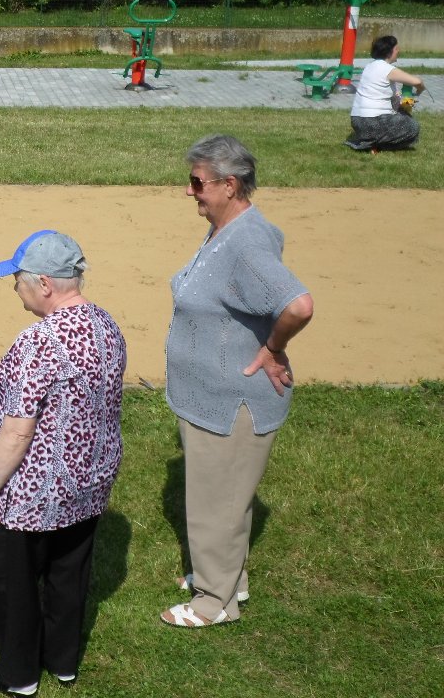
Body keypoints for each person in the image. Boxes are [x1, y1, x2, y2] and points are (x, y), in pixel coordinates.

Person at [161, 134, 314, 628]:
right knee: (226, 499)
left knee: (215, 506)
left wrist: (272, 348)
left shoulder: (245, 243)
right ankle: (229, 577)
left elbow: (298, 305)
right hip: (210, 396)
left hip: (230, 402)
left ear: (230, 185)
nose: (190, 192)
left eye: (197, 182)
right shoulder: (232, 228)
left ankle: (214, 603)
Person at [0, 230, 126, 695]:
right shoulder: (105, 325)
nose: (13, 288)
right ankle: (62, 662)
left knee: (11, 585)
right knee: (68, 574)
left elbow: (17, 432)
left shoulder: (35, 344)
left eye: (16, 280)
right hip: (90, 482)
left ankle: (17, 675)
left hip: (31, 494)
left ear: (43, 283)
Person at [345, 35, 426, 152]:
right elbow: (417, 81)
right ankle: (376, 145)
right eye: (397, 49)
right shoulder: (386, 69)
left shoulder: (369, 66)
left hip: (357, 121)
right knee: (413, 127)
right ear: (389, 52)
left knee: (402, 114)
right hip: (374, 121)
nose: (399, 51)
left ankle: (369, 141)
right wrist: (420, 89)